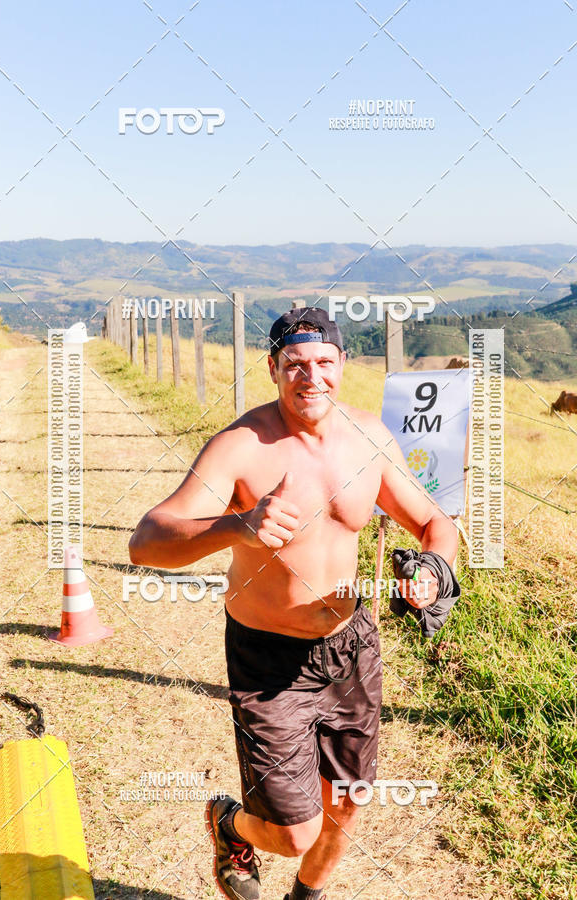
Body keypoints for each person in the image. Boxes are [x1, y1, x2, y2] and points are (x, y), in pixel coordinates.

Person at [129, 307, 458, 900]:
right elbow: (147, 542)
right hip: (269, 659)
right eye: (296, 365)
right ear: (274, 369)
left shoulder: (368, 438)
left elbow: (436, 521)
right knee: (293, 832)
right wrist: (237, 525)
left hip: (352, 648)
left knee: (348, 806)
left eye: (324, 363)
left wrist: (435, 571)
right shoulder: (242, 445)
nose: (312, 377)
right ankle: (230, 824)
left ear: (342, 365)